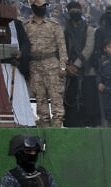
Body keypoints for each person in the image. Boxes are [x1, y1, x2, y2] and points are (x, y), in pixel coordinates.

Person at [24, 0, 68, 128]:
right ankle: (45, 131)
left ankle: (57, 130)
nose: (42, 8)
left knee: (56, 100)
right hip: (35, 66)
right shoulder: (26, 26)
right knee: (40, 101)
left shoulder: (53, 24)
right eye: (39, 6)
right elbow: (24, 48)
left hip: (52, 64)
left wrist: (62, 66)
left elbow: (62, 47)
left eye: (44, 6)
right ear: (33, 7)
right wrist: (26, 69)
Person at [63, 1, 99, 127]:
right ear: (68, 13)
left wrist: (76, 65)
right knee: (71, 101)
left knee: (88, 101)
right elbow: (63, 49)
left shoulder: (89, 29)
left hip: (87, 71)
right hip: (70, 72)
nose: (74, 13)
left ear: (81, 11)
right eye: (72, 11)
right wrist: (67, 66)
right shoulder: (65, 31)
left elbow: (89, 48)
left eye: (76, 11)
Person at [0, 18, 35, 126]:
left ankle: (21, 122)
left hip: (14, 66)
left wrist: (21, 52)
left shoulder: (17, 24)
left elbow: (25, 43)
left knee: (18, 98)